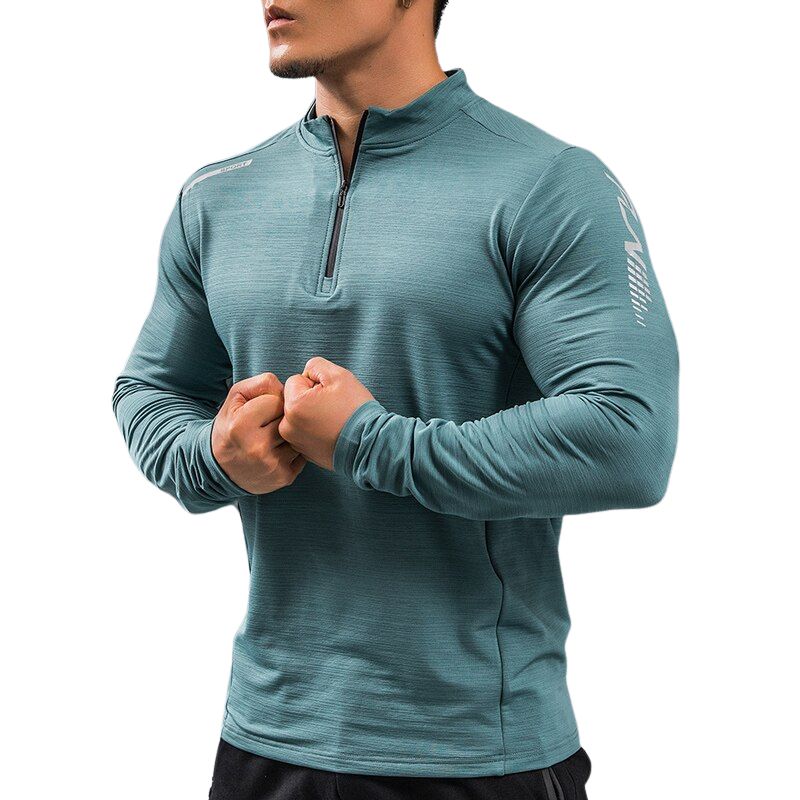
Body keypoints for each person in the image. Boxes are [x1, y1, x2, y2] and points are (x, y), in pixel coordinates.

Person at [112, 1, 679, 797]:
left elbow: (627, 435)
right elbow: (150, 390)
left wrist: (368, 442)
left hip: (477, 753)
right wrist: (214, 454)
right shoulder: (216, 196)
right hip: (264, 740)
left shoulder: (547, 184)